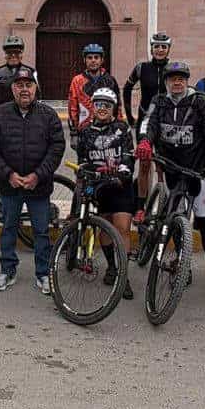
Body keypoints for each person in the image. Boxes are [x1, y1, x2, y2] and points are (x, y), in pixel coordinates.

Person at [135, 59, 205, 301]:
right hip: (170, 168)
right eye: (172, 78)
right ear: (166, 81)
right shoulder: (159, 101)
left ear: (187, 81)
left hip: (196, 171)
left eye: (181, 78)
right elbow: (149, 123)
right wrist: (145, 140)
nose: (176, 82)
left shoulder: (200, 102)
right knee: (172, 218)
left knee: (204, 221)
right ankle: (182, 261)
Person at [0, 64, 65, 295]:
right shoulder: (0, 114)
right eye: (19, 85)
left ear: (35, 88)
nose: (24, 90)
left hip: (38, 187)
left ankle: (43, 274)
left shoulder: (48, 115)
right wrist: (7, 174)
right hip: (9, 185)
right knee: (9, 228)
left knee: (41, 231)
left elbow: (57, 147)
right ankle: (7, 270)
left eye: (28, 85)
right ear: (12, 90)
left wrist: (37, 175)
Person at [75, 86, 137, 299]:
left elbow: (129, 157)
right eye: (99, 104)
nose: (102, 109)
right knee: (105, 228)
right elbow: (82, 161)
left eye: (107, 105)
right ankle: (112, 266)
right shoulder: (85, 131)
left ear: (114, 108)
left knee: (122, 228)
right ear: (93, 107)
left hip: (120, 186)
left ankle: (123, 276)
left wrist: (122, 172)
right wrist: (85, 177)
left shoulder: (122, 128)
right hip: (100, 186)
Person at [66, 43, 120, 140]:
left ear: (102, 60)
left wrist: (119, 126)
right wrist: (74, 133)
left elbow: (118, 106)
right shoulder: (77, 81)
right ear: (84, 60)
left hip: (108, 129)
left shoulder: (110, 80)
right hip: (85, 129)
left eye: (96, 57)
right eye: (89, 58)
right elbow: (72, 107)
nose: (93, 60)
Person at [122, 31, 172, 127]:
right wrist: (129, 116)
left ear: (168, 49)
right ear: (151, 49)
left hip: (167, 118)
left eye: (164, 47)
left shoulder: (173, 69)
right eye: (156, 46)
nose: (160, 50)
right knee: (143, 142)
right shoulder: (141, 67)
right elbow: (127, 89)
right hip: (145, 116)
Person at [0, 35, 33, 105]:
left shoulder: (31, 71)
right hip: (3, 113)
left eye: (17, 52)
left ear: (21, 54)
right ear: (5, 55)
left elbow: (37, 96)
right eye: (9, 52)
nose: (13, 55)